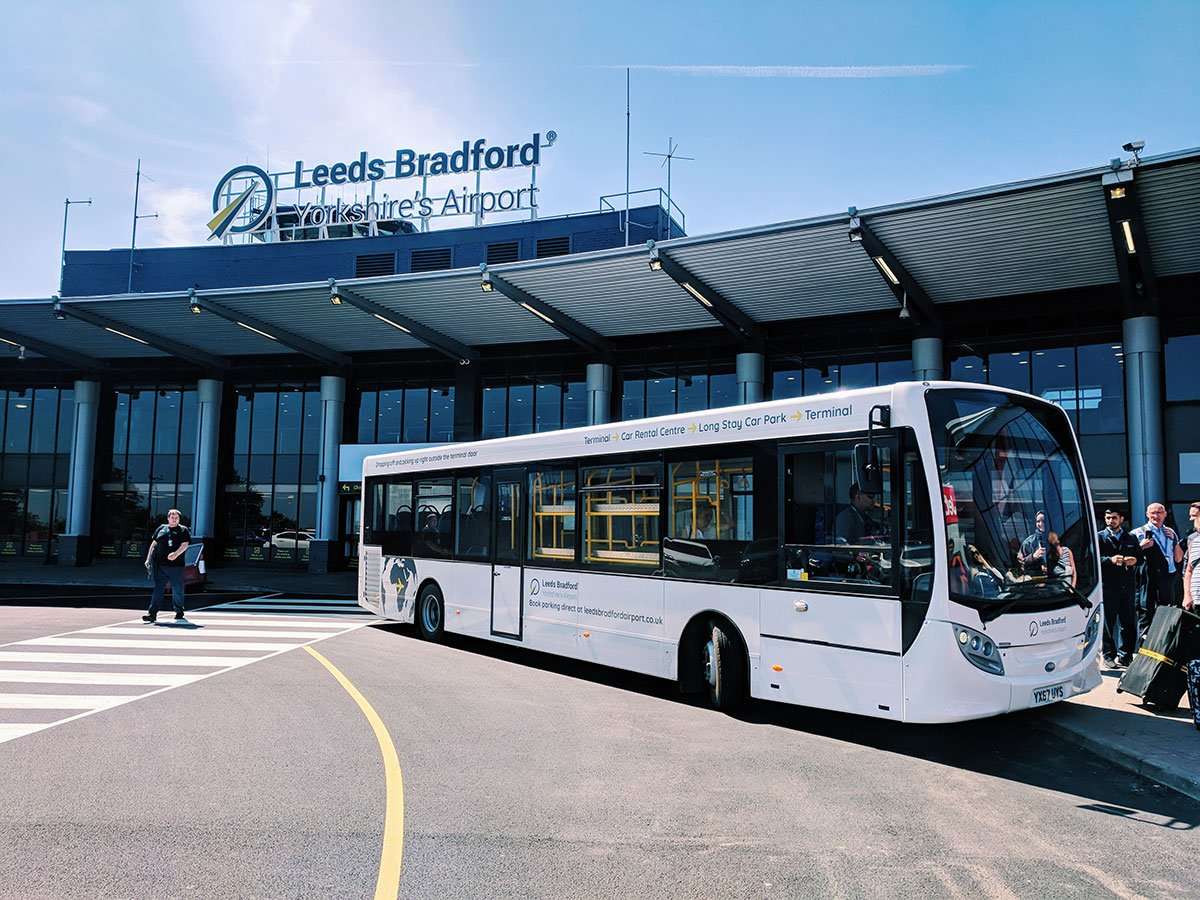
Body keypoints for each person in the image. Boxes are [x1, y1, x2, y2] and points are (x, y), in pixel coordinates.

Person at [1132, 502, 1184, 639]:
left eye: (1159, 512)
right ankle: (1143, 643)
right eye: (1153, 513)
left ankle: (1162, 642)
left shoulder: (1170, 532)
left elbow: (1179, 558)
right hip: (1149, 576)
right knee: (1146, 609)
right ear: (1147, 514)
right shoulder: (1138, 533)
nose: (1156, 516)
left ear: (1165, 514)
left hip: (1168, 576)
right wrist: (1141, 547)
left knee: (1166, 610)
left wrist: (1175, 540)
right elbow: (1130, 557)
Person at [1098, 508, 1140, 668]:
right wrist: (1110, 560)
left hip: (1127, 586)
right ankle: (1108, 656)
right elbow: (1091, 559)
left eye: (1114, 518)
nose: (1111, 521)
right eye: (1108, 517)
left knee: (1128, 623)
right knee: (1108, 623)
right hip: (1108, 587)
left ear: (1121, 519)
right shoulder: (1099, 537)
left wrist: (1134, 560)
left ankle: (1126, 656)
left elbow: (1140, 558)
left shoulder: (1131, 537)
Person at [143, 509, 190, 623]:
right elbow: (154, 544)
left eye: (176, 518)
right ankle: (152, 614)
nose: (174, 519)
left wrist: (175, 554)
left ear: (179, 519)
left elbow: (185, 544)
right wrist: (148, 558)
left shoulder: (183, 530)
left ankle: (179, 611)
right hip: (160, 565)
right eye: (172, 517)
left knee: (177, 589)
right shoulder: (161, 528)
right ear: (168, 518)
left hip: (176, 566)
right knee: (158, 589)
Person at [1182, 501, 1200, 613]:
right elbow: (1188, 570)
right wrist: (1187, 595)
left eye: (1195, 516)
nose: (1191, 520)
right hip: (1197, 599)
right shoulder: (1193, 540)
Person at [1017, 511, 1048, 576]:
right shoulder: (1028, 542)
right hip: (1036, 579)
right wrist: (1033, 557)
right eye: (1038, 521)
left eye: (1043, 521)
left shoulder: (1056, 538)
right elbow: (1021, 563)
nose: (1041, 524)